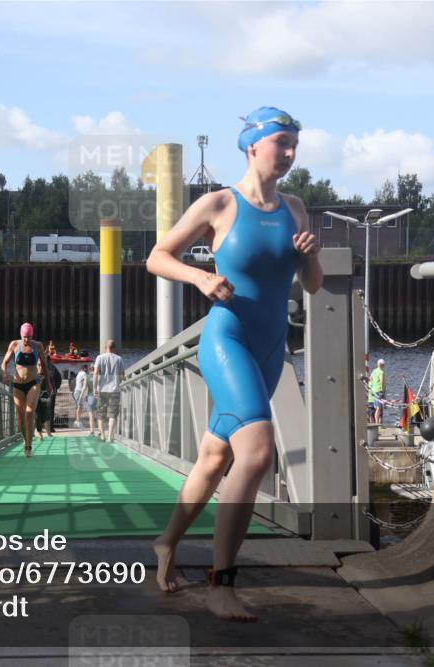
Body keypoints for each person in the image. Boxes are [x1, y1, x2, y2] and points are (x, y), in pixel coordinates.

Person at [145, 106, 322, 622]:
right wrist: (201, 279)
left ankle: (166, 543)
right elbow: (157, 256)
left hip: (271, 348)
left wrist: (310, 254)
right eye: (281, 143)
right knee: (258, 452)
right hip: (228, 339)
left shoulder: (295, 208)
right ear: (252, 146)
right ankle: (221, 582)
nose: (289, 154)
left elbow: (311, 285)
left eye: (294, 145)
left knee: (214, 458)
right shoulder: (220, 203)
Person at [0, 323, 53, 457]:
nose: (26, 340)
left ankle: (29, 446)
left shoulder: (38, 346)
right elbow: (4, 362)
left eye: (29, 337)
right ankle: (26, 440)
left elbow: (45, 366)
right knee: (20, 419)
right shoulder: (14, 345)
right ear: (20, 335)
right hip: (18, 384)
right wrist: (5, 374)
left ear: (32, 335)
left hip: (33, 383)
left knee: (29, 413)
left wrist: (49, 384)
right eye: (24, 337)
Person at [91, 339, 125, 443]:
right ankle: (110, 437)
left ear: (105, 347)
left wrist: (94, 387)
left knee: (101, 414)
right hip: (114, 389)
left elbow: (96, 373)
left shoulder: (99, 358)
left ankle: (103, 436)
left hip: (102, 389)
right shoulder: (119, 359)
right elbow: (122, 375)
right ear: (114, 348)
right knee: (113, 414)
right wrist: (120, 379)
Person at [369, 359, 386, 425]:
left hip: (374, 391)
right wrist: (382, 389)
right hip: (379, 391)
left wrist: (372, 387)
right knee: (379, 408)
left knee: (377, 408)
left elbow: (370, 379)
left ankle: (377, 423)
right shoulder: (381, 372)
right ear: (383, 365)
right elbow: (381, 381)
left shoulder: (374, 371)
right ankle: (377, 423)